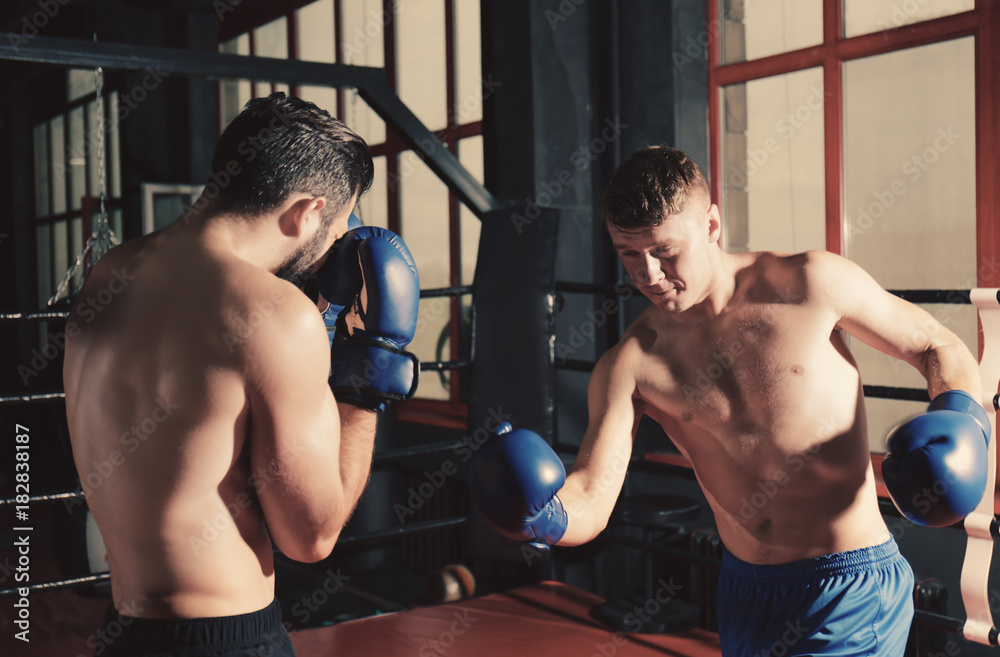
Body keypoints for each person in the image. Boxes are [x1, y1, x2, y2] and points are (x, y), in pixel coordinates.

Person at [470, 145, 990, 655]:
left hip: (848, 585)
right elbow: (592, 497)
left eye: (663, 251)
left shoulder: (810, 283)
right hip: (745, 594)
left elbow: (935, 344)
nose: (647, 274)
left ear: (712, 226)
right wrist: (542, 516)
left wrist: (961, 417)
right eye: (629, 253)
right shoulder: (630, 364)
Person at [63, 93, 419, 657]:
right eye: (341, 221)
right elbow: (312, 537)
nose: (339, 241)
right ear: (307, 211)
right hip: (224, 640)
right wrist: (363, 389)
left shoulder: (110, 273)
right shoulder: (276, 315)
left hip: (124, 630)